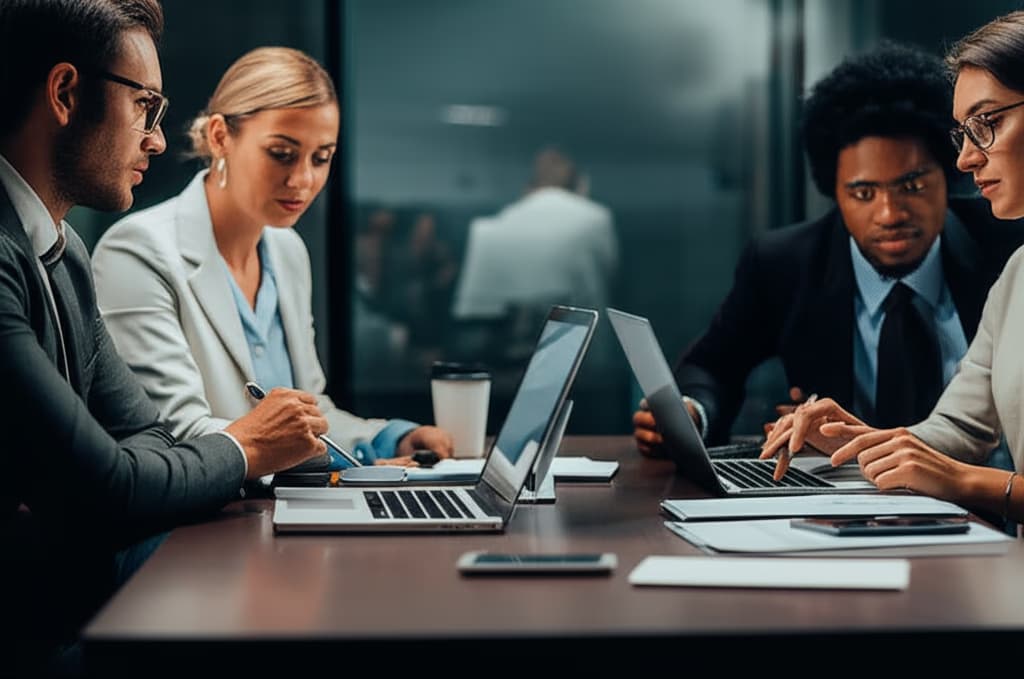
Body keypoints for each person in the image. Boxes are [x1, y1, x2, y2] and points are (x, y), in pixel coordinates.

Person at [0, 0, 328, 672]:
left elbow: (150, 437)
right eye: (145, 106)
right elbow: (114, 485)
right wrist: (245, 444)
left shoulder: (60, 254)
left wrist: (114, 484)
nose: (155, 138)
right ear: (65, 93)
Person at [633, 43, 1024, 466]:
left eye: (912, 186)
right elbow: (713, 366)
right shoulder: (785, 263)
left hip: (984, 503)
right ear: (833, 193)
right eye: (863, 193)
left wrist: (979, 487)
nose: (890, 214)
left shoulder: (1007, 244)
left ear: (947, 177)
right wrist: (693, 414)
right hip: (855, 483)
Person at [91, 47, 453, 468]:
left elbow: (312, 416)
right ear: (220, 136)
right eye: (282, 154)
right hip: (197, 525)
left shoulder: (287, 251)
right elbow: (176, 434)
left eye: (321, 158)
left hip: (276, 514)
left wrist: (389, 438)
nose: (303, 180)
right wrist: (352, 467)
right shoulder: (137, 251)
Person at [761, 12, 1024, 526]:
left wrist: (967, 481)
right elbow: (958, 427)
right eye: (964, 133)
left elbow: (960, 466)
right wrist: (862, 443)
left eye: (988, 123)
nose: (967, 159)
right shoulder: (1017, 274)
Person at [451, 146, 618, 321]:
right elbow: (607, 274)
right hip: (570, 331)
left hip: (494, 336)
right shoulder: (595, 218)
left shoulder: (490, 226)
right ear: (580, 184)